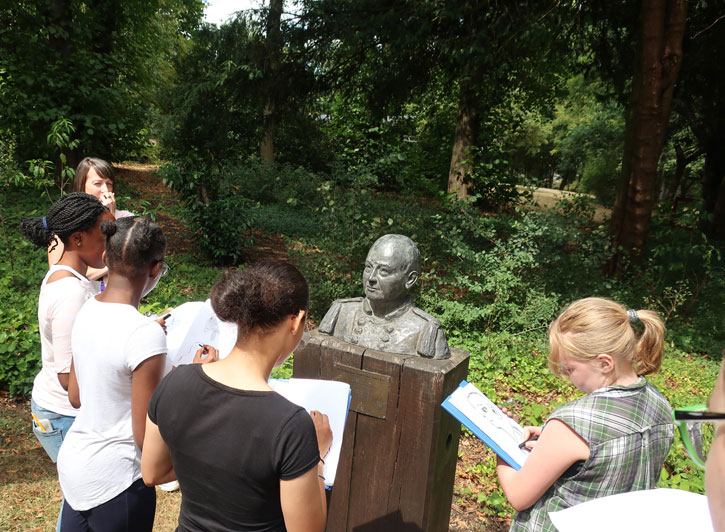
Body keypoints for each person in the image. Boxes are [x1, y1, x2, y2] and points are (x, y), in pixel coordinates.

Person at [142, 261, 332, 532]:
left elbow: (152, 473)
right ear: (296, 320)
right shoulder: (291, 426)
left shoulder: (176, 381)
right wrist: (318, 456)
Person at [496, 297, 674, 532]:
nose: (564, 375)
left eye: (569, 368)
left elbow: (519, 495)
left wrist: (499, 441)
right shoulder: (660, 404)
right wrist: (549, 436)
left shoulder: (572, 423)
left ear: (604, 363)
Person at [56, 216, 170, 532]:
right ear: (155, 269)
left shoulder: (86, 308)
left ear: (107, 258)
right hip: (118, 482)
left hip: (76, 470)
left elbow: (75, 397)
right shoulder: (145, 334)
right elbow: (143, 437)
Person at [19, 192, 113, 531]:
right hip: (62, 415)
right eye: (104, 234)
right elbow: (65, 376)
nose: (109, 240)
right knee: (84, 498)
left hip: (66, 412)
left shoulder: (71, 277)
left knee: (83, 495)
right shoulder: (69, 293)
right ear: (77, 238)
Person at [318, 234, 450, 359]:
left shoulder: (424, 328)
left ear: (410, 280)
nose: (371, 278)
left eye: (384, 271)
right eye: (368, 267)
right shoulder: (342, 312)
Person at [47, 157, 133, 277]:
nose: (105, 190)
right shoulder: (66, 222)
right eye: (97, 184)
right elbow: (60, 274)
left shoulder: (127, 219)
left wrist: (111, 217)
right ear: (82, 187)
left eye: (109, 184)